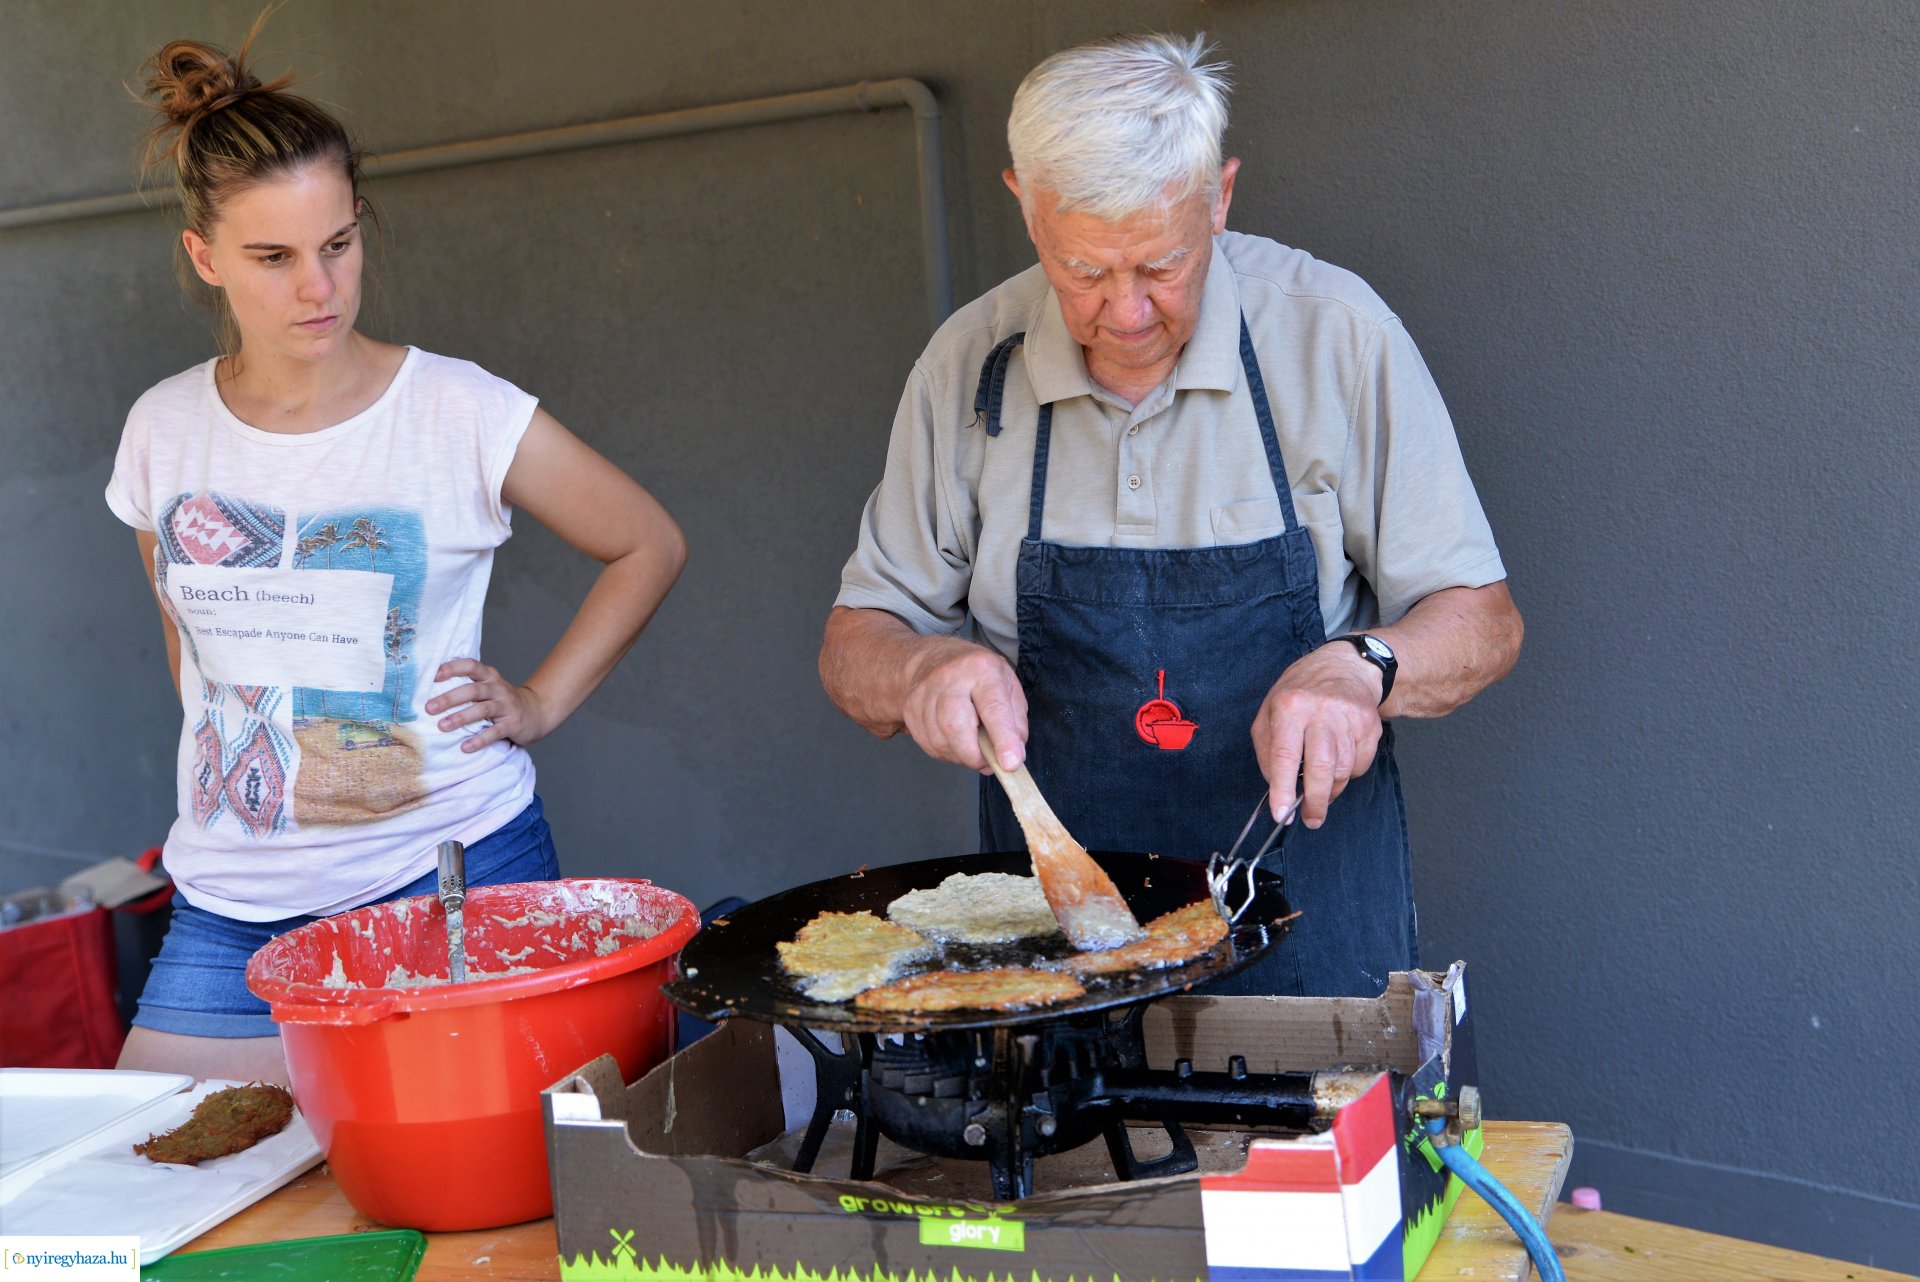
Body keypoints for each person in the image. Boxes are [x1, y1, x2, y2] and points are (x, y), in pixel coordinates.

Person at [819, 33, 1523, 998]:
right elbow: (854, 647)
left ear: (1221, 196)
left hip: (1308, 934)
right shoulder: (967, 365)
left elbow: (1483, 623)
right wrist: (919, 667)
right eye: (1083, 272)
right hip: (1054, 955)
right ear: (1024, 202)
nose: (1128, 312)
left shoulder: (1336, 336)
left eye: (1161, 265)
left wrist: (1365, 667)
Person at [107, 24, 686, 1083]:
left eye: (338, 243)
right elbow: (187, 646)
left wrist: (542, 702)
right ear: (204, 257)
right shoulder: (162, 427)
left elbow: (646, 539)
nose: (316, 287)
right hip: (228, 904)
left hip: (448, 873)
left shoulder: (457, 410)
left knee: (471, 1213)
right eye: (273, 258)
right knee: (152, 1197)